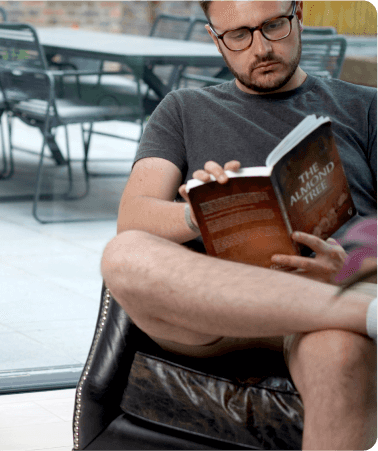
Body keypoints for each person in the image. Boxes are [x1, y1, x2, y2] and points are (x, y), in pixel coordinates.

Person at [100, 0, 377, 449]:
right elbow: (134, 215)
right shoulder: (183, 109)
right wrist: (201, 210)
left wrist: (349, 270)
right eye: (238, 35)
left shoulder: (365, 107)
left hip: (325, 302)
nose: (261, 47)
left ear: (298, 13)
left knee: (342, 353)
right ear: (214, 37)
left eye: (273, 26)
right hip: (218, 310)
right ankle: (368, 312)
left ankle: (351, 307)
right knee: (125, 254)